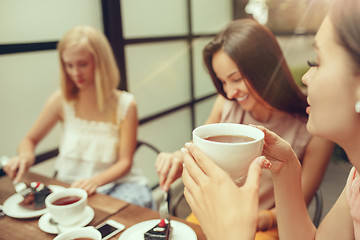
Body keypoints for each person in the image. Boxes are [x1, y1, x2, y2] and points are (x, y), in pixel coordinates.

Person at [181, 0, 360, 238]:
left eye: (317, 61)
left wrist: (241, 229)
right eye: (223, 82)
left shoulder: (306, 128)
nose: (306, 77)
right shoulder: (355, 180)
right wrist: (286, 171)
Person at [156, 18, 334, 238]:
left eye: (236, 79)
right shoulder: (227, 103)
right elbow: (199, 147)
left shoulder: (312, 126)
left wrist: (258, 218)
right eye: (223, 82)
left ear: (266, 69)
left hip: (267, 226)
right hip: (215, 215)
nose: (229, 92)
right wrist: (177, 156)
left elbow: (299, 203)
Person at [4, 25, 155, 209]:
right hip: (69, 185)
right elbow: (29, 139)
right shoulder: (61, 100)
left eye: (83, 64)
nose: (75, 73)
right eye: (69, 65)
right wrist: (25, 157)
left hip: (118, 185)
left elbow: (125, 162)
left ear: (101, 63)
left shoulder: (126, 104)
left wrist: (94, 181)